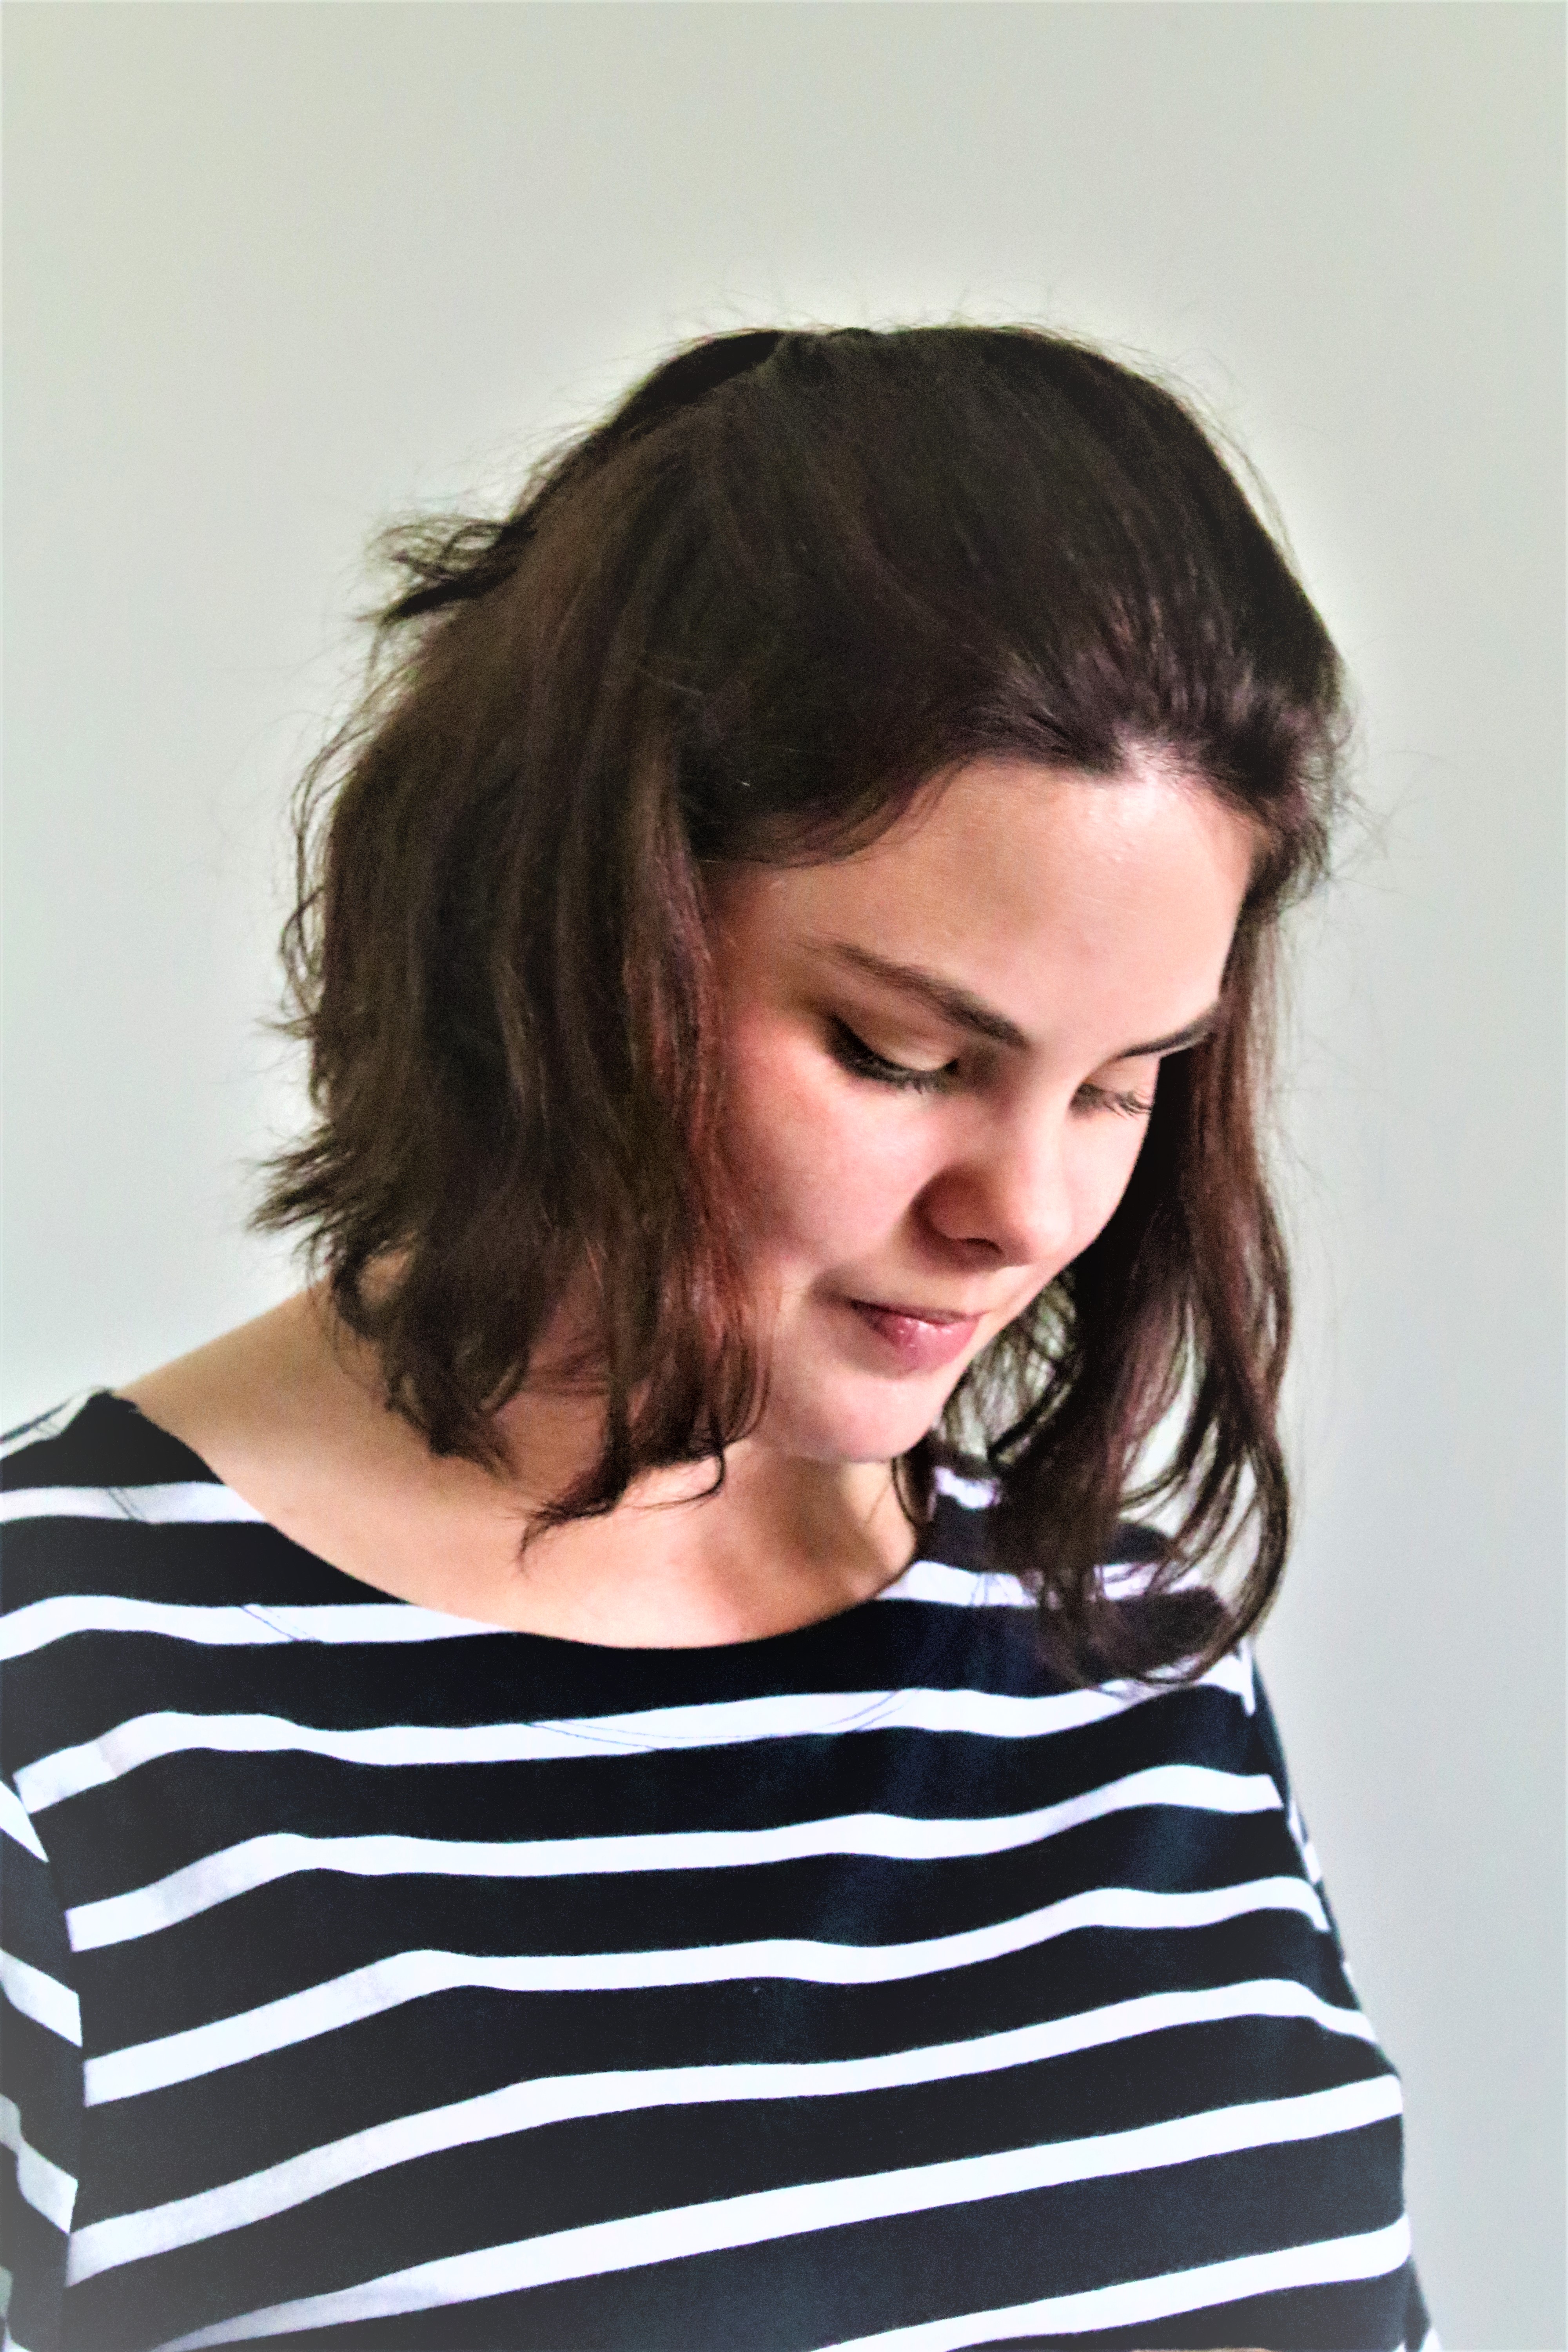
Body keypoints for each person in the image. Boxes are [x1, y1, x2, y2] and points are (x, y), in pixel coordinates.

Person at [0, 325, 1433, 2352]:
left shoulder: (1133, 1645)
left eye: (1127, 1081)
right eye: (902, 1053)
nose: (1027, 1212)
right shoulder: (60, 1707)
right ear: (563, 932)